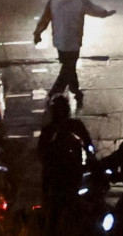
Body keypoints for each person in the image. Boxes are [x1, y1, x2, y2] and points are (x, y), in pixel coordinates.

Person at [33, 0, 116, 108]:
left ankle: (76, 90)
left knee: (69, 66)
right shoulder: (80, 0)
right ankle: (54, 94)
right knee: (68, 69)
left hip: (59, 41)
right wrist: (106, 13)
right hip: (74, 41)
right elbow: (95, 10)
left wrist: (37, 33)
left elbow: (45, 18)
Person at [38, 95, 94, 235]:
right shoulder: (49, 130)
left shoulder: (75, 126)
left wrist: (91, 158)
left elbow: (88, 144)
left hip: (73, 174)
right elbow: (41, 152)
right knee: (52, 210)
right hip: (55, 177)